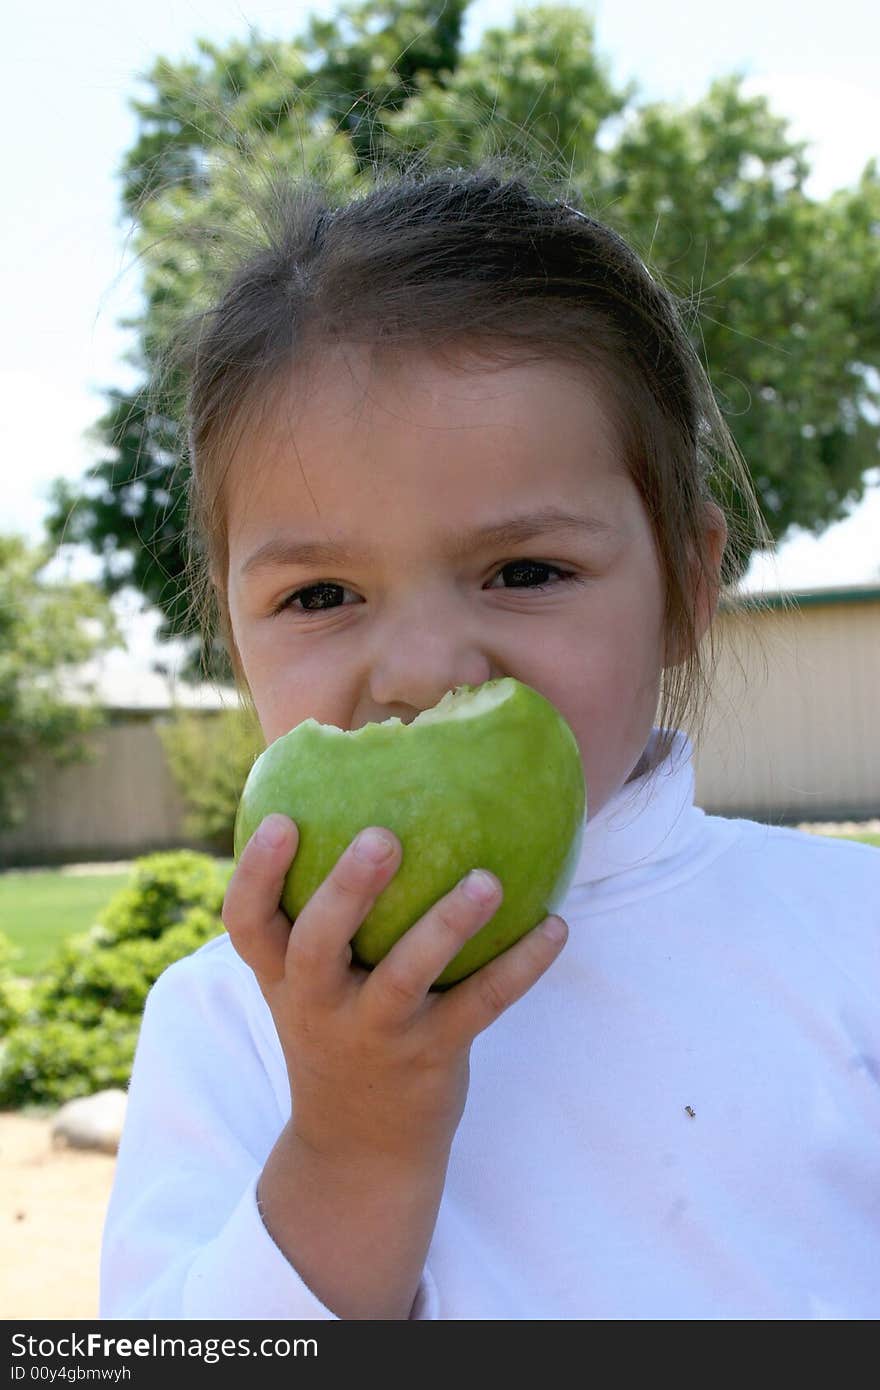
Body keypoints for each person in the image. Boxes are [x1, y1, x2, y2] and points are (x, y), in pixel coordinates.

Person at [99, 162, 880, 1320]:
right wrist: (351, 1145)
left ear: (684, 584)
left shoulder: (846, 936)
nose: (422, 670)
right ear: (231, 629)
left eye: (524, 572)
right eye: (319, 595)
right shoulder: (229, 1019)